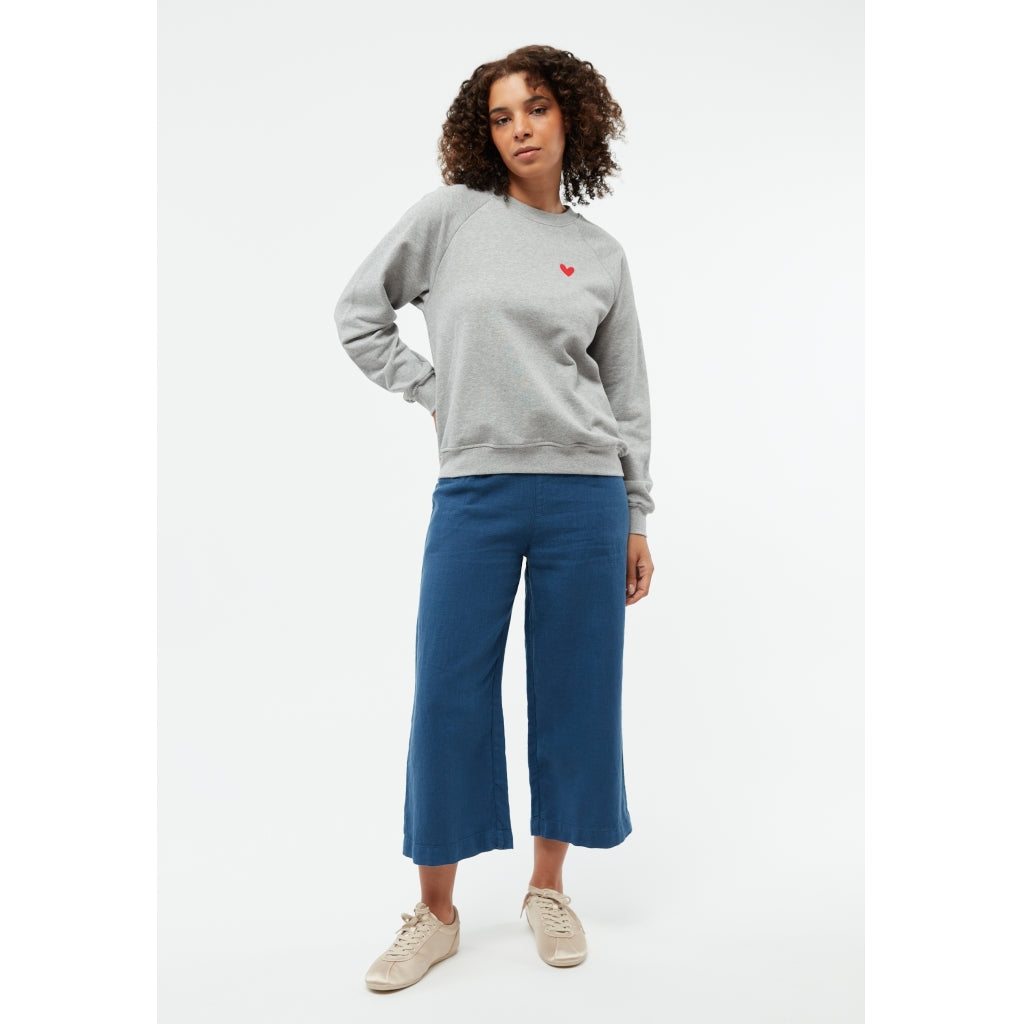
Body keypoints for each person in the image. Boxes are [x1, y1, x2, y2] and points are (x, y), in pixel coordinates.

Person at [333, 43, 655, 992]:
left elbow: (627, 395)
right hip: (475, 491)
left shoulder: (602, 255)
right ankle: (434, 913)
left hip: (587, 496)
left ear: (573, 118)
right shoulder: (450, 219)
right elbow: (359, 315)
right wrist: (435, 392)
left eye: (537, 108)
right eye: (502, 115)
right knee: (448, 691)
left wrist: (637, 512)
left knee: (576, 692)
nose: (519, 129)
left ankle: (547, 889)